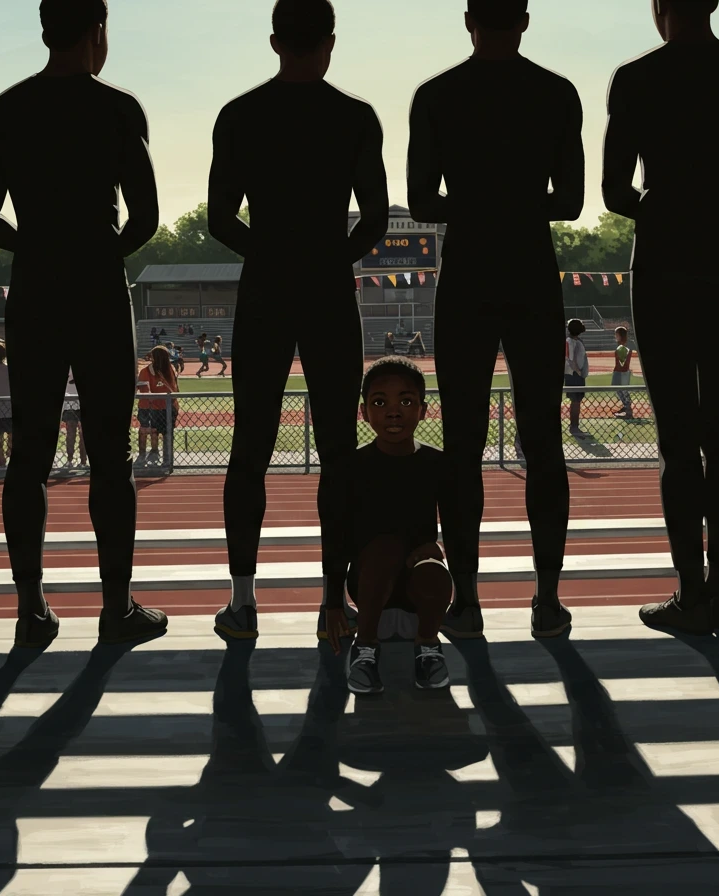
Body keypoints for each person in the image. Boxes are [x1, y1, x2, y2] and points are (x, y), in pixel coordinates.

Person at [0, 0, 167, 648]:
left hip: (36, 292)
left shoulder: (3, 111)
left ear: (47, 30)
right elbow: (145, 217)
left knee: (29, 455)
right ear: (98, 30)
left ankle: (32, 610)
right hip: (99, 292)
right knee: (111, 456)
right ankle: (118, 609)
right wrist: (99, 251)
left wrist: (34, 245)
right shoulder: (116, 108)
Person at [208, 0, 389, 642]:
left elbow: (221, 219)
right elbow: (374, 219)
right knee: (339, 452)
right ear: (330, 42)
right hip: (329, 292)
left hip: (265, 291)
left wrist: (273, 252)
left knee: (249, 449)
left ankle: (243, 601)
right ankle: (334, 602)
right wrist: (324, 256)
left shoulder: (240, 115)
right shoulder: (355, 116)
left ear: (275, 40)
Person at [408, 0, 584, 639]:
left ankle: (467, 602)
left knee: (462, 448)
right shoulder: (557, 94)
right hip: (532, 273)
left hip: (468, 276)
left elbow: (426, 199)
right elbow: (568, 201)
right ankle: (547, 600)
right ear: (526, 20)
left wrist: (478, 197)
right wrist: (516, 196)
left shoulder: (436, 95)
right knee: (544, 445)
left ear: (468, 20)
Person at [603, 0, 719, 635]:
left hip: (664, 259)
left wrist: (665, 206)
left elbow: (615, 190)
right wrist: (713, 203)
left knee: (678, 441)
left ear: (659, 7)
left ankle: (689, 592)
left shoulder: (636, 76)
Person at [324, 357, 452, 694]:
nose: (393, 412)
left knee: (433, 566)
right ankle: (365, 647)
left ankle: (427, 645)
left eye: (406, 402)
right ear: (364, 412)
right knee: (386, 549)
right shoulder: (351, 467)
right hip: (370, 584)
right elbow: (337, 535)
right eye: (380, 402)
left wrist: (434, 551)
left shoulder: (436, 463)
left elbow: (454, 524)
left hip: (417, 587)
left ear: (424, 410)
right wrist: (333, 601)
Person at [137, 344, 178, 464]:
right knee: (154, 431)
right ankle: (154, 455)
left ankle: (163, 457)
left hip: (164, 407)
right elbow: (145, 391)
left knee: (163, 432)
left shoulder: (170, 370)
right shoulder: (147, 371)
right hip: (153, 407)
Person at [564, 318, 589, 437]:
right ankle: (574, 427)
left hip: (575, 374)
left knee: (577, 401)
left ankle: (575, 426)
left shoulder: (576, 341)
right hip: (574, 375)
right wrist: (578, 372)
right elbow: (571, 359)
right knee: (575, 401)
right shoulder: (570, 341)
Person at [62, 367, 89, 467]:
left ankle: (83, 462)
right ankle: (69, 460)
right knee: (70, 434)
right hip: (69, 405)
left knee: (83, 435)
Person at [611, 325, 634, 418]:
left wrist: (619, 371)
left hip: (621, 372)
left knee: (623, 390)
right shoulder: (623, 346)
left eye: (616, 334)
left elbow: (622, 363)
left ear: (620, 335)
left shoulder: (622, 347)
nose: (615, 336)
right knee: (620, 390)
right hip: (622, 371)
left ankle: (628, 410)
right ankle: (626, 407)